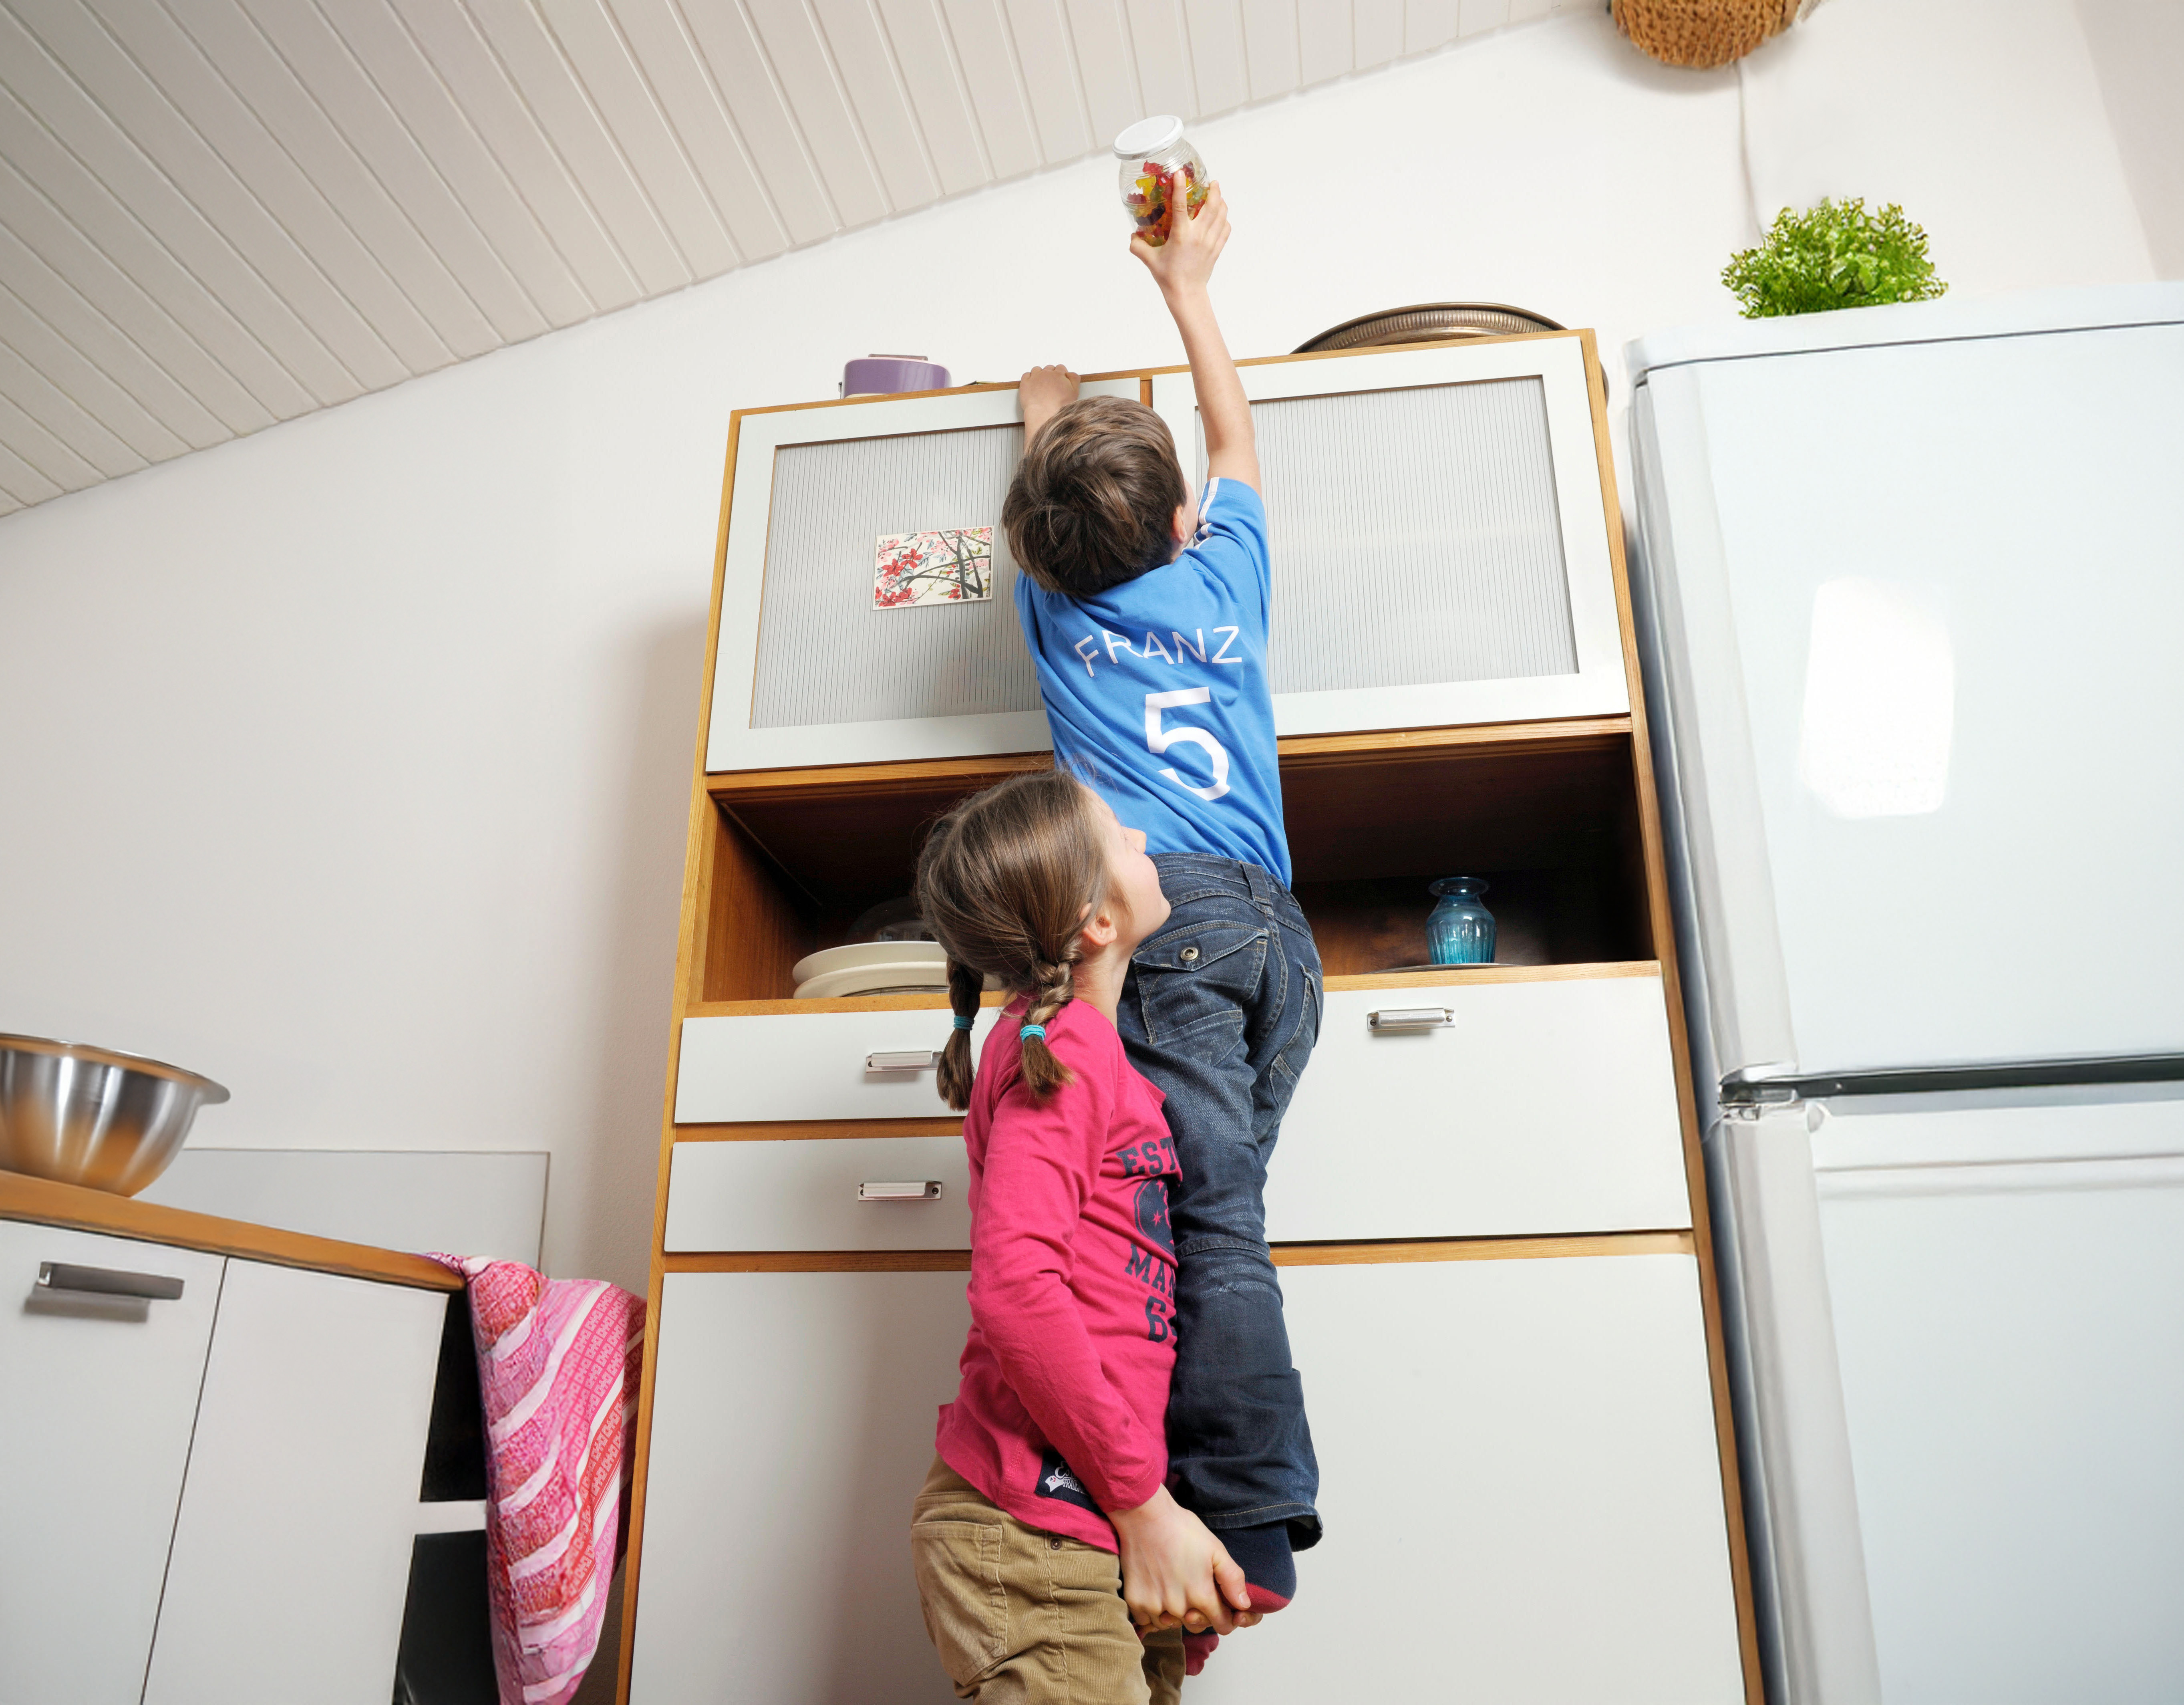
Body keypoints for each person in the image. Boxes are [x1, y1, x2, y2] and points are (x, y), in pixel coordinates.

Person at [1001, 179, 1319, 1677]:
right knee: (1182, 1217)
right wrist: (1185, 286)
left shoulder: (1059, 620)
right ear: (1184, 520)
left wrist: (1042, 401)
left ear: (1043, 558)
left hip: (1170, 928)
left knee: (1196, 1223)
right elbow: (1237, 436)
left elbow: (1053, 490)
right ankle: (1178, 1522)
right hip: (1278, 944)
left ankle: (1244, 1521)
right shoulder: (1226, 572)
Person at [909, 770, 1260, 1704]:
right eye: (1121, 834)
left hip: (1083, 1514)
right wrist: (1144, 1504)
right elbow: (1016, 1287)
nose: (1144, 838)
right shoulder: (1059, 1050)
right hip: (1031, 1523)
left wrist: (1155, 1520)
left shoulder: (1084, 1052)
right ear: (1095, 918)